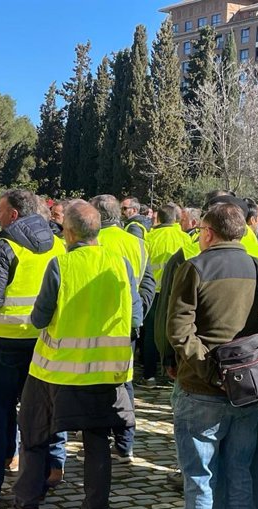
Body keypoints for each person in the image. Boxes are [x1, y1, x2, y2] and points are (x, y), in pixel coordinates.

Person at [10, 200, 140, 509]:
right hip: (105, 373)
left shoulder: (61, 265)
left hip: (54, 371)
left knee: (34, 434)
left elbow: (40, 319)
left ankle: (27, 505)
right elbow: (136, 317)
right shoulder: (120, 263)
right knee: (97, 445)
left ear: (67, 232)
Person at [167, 203, 258, 509]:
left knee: (200, 479)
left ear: (208, 233)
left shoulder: (195, 268)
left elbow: (178, 329)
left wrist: (211, 372)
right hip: (249, 389)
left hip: (201, 389)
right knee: (240, 474)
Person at [0, 188, 66, 508]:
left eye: (2, 210)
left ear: (15, 215)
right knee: (39, 414)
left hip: (3, 344)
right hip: (43, 343)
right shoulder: (59, 245)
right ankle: (44, 471)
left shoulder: (4, 246)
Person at [90, 194, 155, 462]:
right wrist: (138, 316)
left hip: (95, 323)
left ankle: (98, 437)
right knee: (123, 382)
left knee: (95, 382)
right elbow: (148, 283)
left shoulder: (90, 242)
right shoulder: (137, 243)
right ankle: (125, 441)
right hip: (127, 323)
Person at [138, 204, 191, 388]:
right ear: (176, 219)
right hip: (177, 292)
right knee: (175, 332)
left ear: (158, 219)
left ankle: (149, 376)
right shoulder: (185, 238)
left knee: (152, 335)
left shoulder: (149, 238)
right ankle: (174, 373)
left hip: (154, 293)